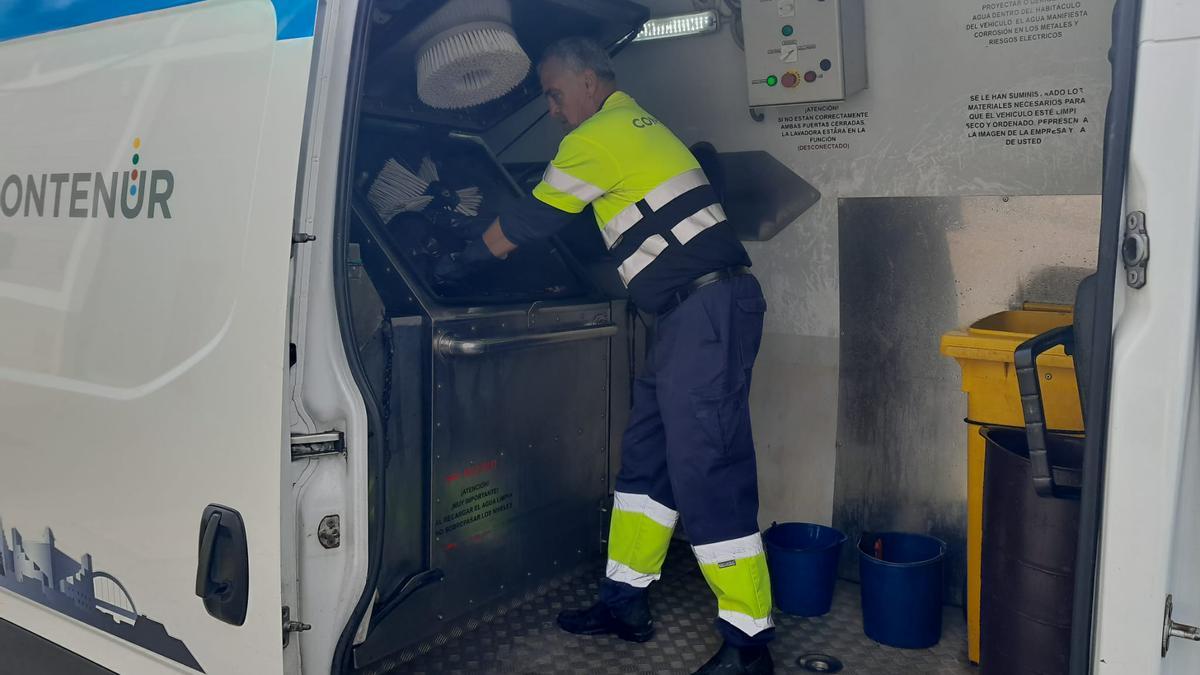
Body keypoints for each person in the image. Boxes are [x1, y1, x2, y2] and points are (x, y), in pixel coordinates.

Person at [440, 36, 774, 675]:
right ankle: (624, 600)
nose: (554, 109)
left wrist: (464, 256)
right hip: (685, 315)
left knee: (708, 465)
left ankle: (749, 644)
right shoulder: (631, 126)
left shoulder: (600, 135)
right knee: (648, 459)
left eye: (555, 94)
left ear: (589, 81)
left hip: (705, 312)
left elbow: (533, 220)